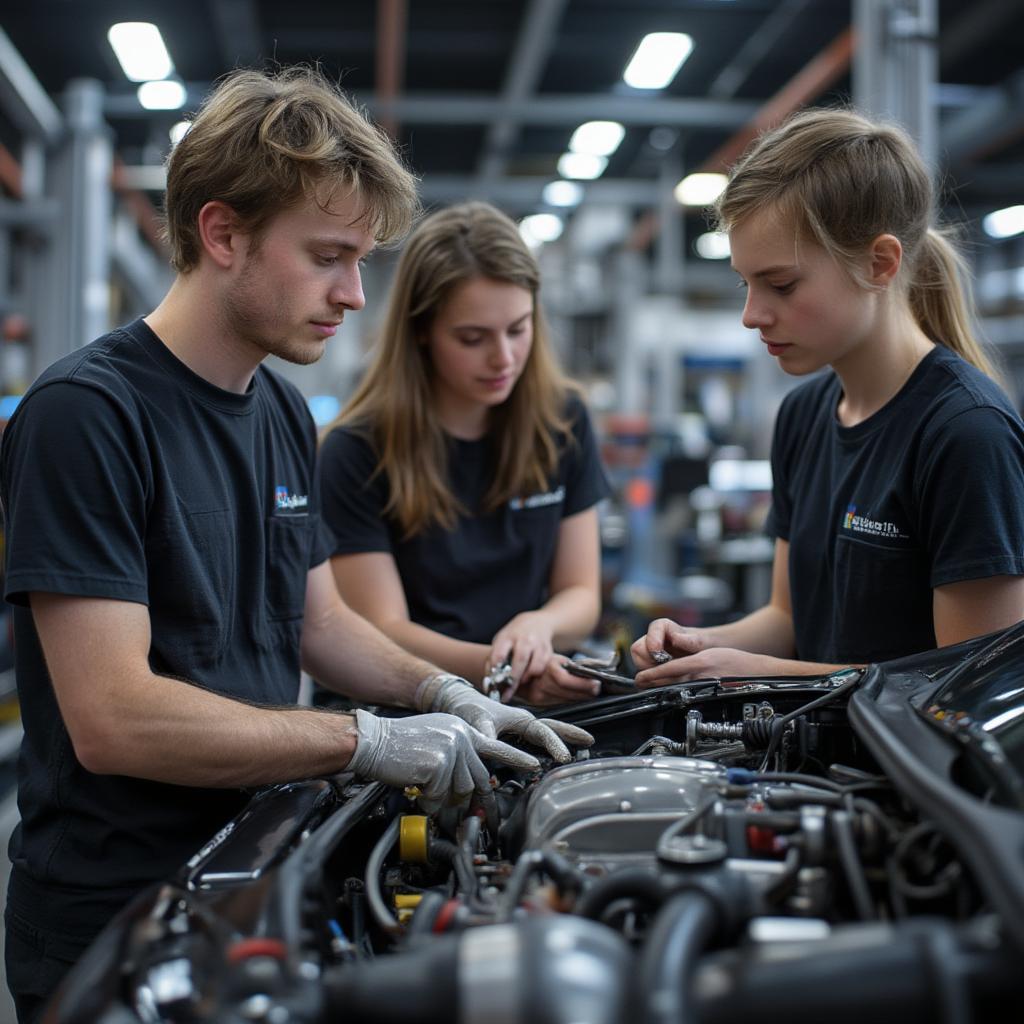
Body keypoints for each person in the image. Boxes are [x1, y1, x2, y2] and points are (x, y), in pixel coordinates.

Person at [0, 69, 591, 1023]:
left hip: (257, 862)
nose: (356, 295)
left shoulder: (278, 405)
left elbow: (319, 621)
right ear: (222, 233)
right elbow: (114, 718)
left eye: (361, 260)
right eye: (327, 256)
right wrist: (365, 740)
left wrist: (446, 695)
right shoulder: (88, 416)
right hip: (117, 916)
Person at [633, 106, 1024, 686]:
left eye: (781, 284)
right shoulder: (802, 416)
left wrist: (765, 675)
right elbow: (788, 619)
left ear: (880, 263)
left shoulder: (966, 434)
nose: (751, 315)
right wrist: (703, 648)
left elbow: (969, 687)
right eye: (747, 283)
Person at [318, 201, 610, 706]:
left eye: (518, 329)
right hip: (402, 712)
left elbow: (581, 594)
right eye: (473, 338)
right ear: (422, 332)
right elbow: (382, 630)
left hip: (521, 694)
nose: (503, 358)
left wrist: (539, 625)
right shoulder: (355, 451)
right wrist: (503, 667)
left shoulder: (563, 422)